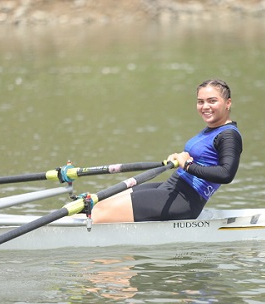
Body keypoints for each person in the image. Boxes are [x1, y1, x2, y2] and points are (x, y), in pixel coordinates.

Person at [92, 79, 243, 223]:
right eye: (200, 101)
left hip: (185, 199)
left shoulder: (229, 135)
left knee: (100, 212)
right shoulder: (212, 129)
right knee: (100, 202)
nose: (205, 106)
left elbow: (226, 174)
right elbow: (204, 159)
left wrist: (188, 166)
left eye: (212, 101)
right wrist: (179, 159)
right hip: (172, 186)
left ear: (228, 103)